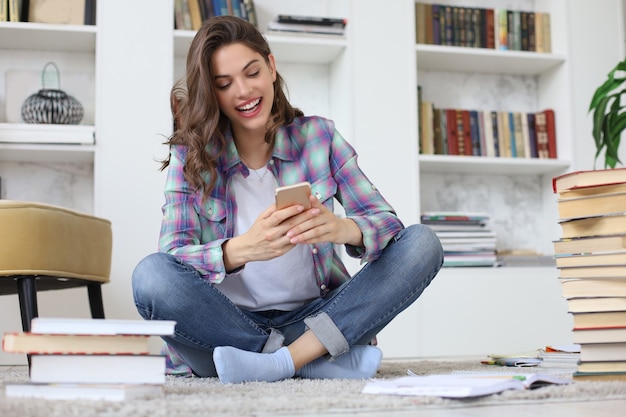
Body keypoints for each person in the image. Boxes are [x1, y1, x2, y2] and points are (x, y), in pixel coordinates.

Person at [132, 15, 443, 384]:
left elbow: (387, 225)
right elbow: (172, 257)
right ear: (211, 92)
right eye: (224, 83)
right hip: (226, 329)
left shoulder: (319, 136)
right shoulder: (192, 156)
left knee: (423, 243)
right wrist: (242, 249)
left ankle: (285, 360)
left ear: (271, 66)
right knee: (150, 276)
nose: (243, 91)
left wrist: (342, 229)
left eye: (252, 73)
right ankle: (305, 361)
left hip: (316, 321)